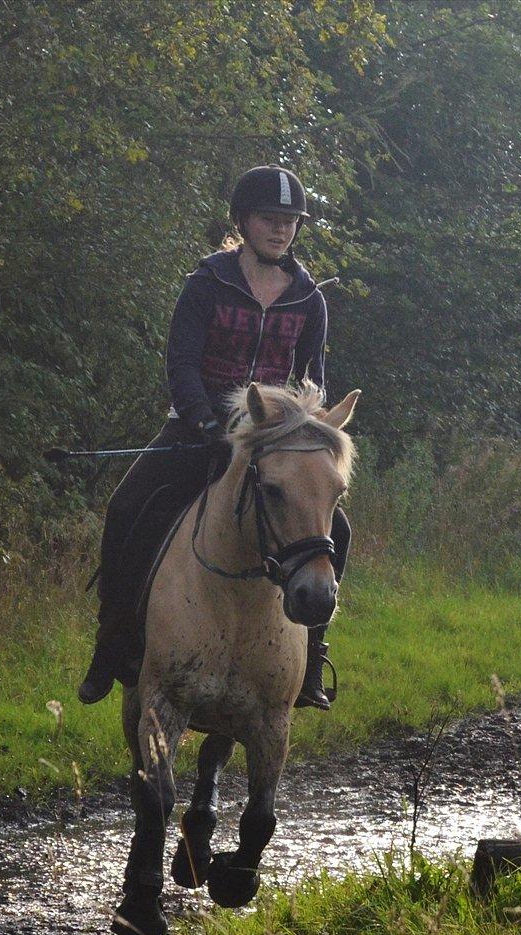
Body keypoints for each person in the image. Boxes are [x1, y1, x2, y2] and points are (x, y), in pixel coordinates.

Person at [78, 165, 351, 709]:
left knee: (335, 531)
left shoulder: (309, 300)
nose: (280, 230)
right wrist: (206, 425)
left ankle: (312, 657)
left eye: (289, 222)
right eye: (269, 220)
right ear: (243, 222)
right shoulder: (207, 284)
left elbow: (312, 378)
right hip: (196, 429)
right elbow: (179, 361)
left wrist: (306, 427)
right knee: (126, 507)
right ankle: (112, 643)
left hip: (273, 441)